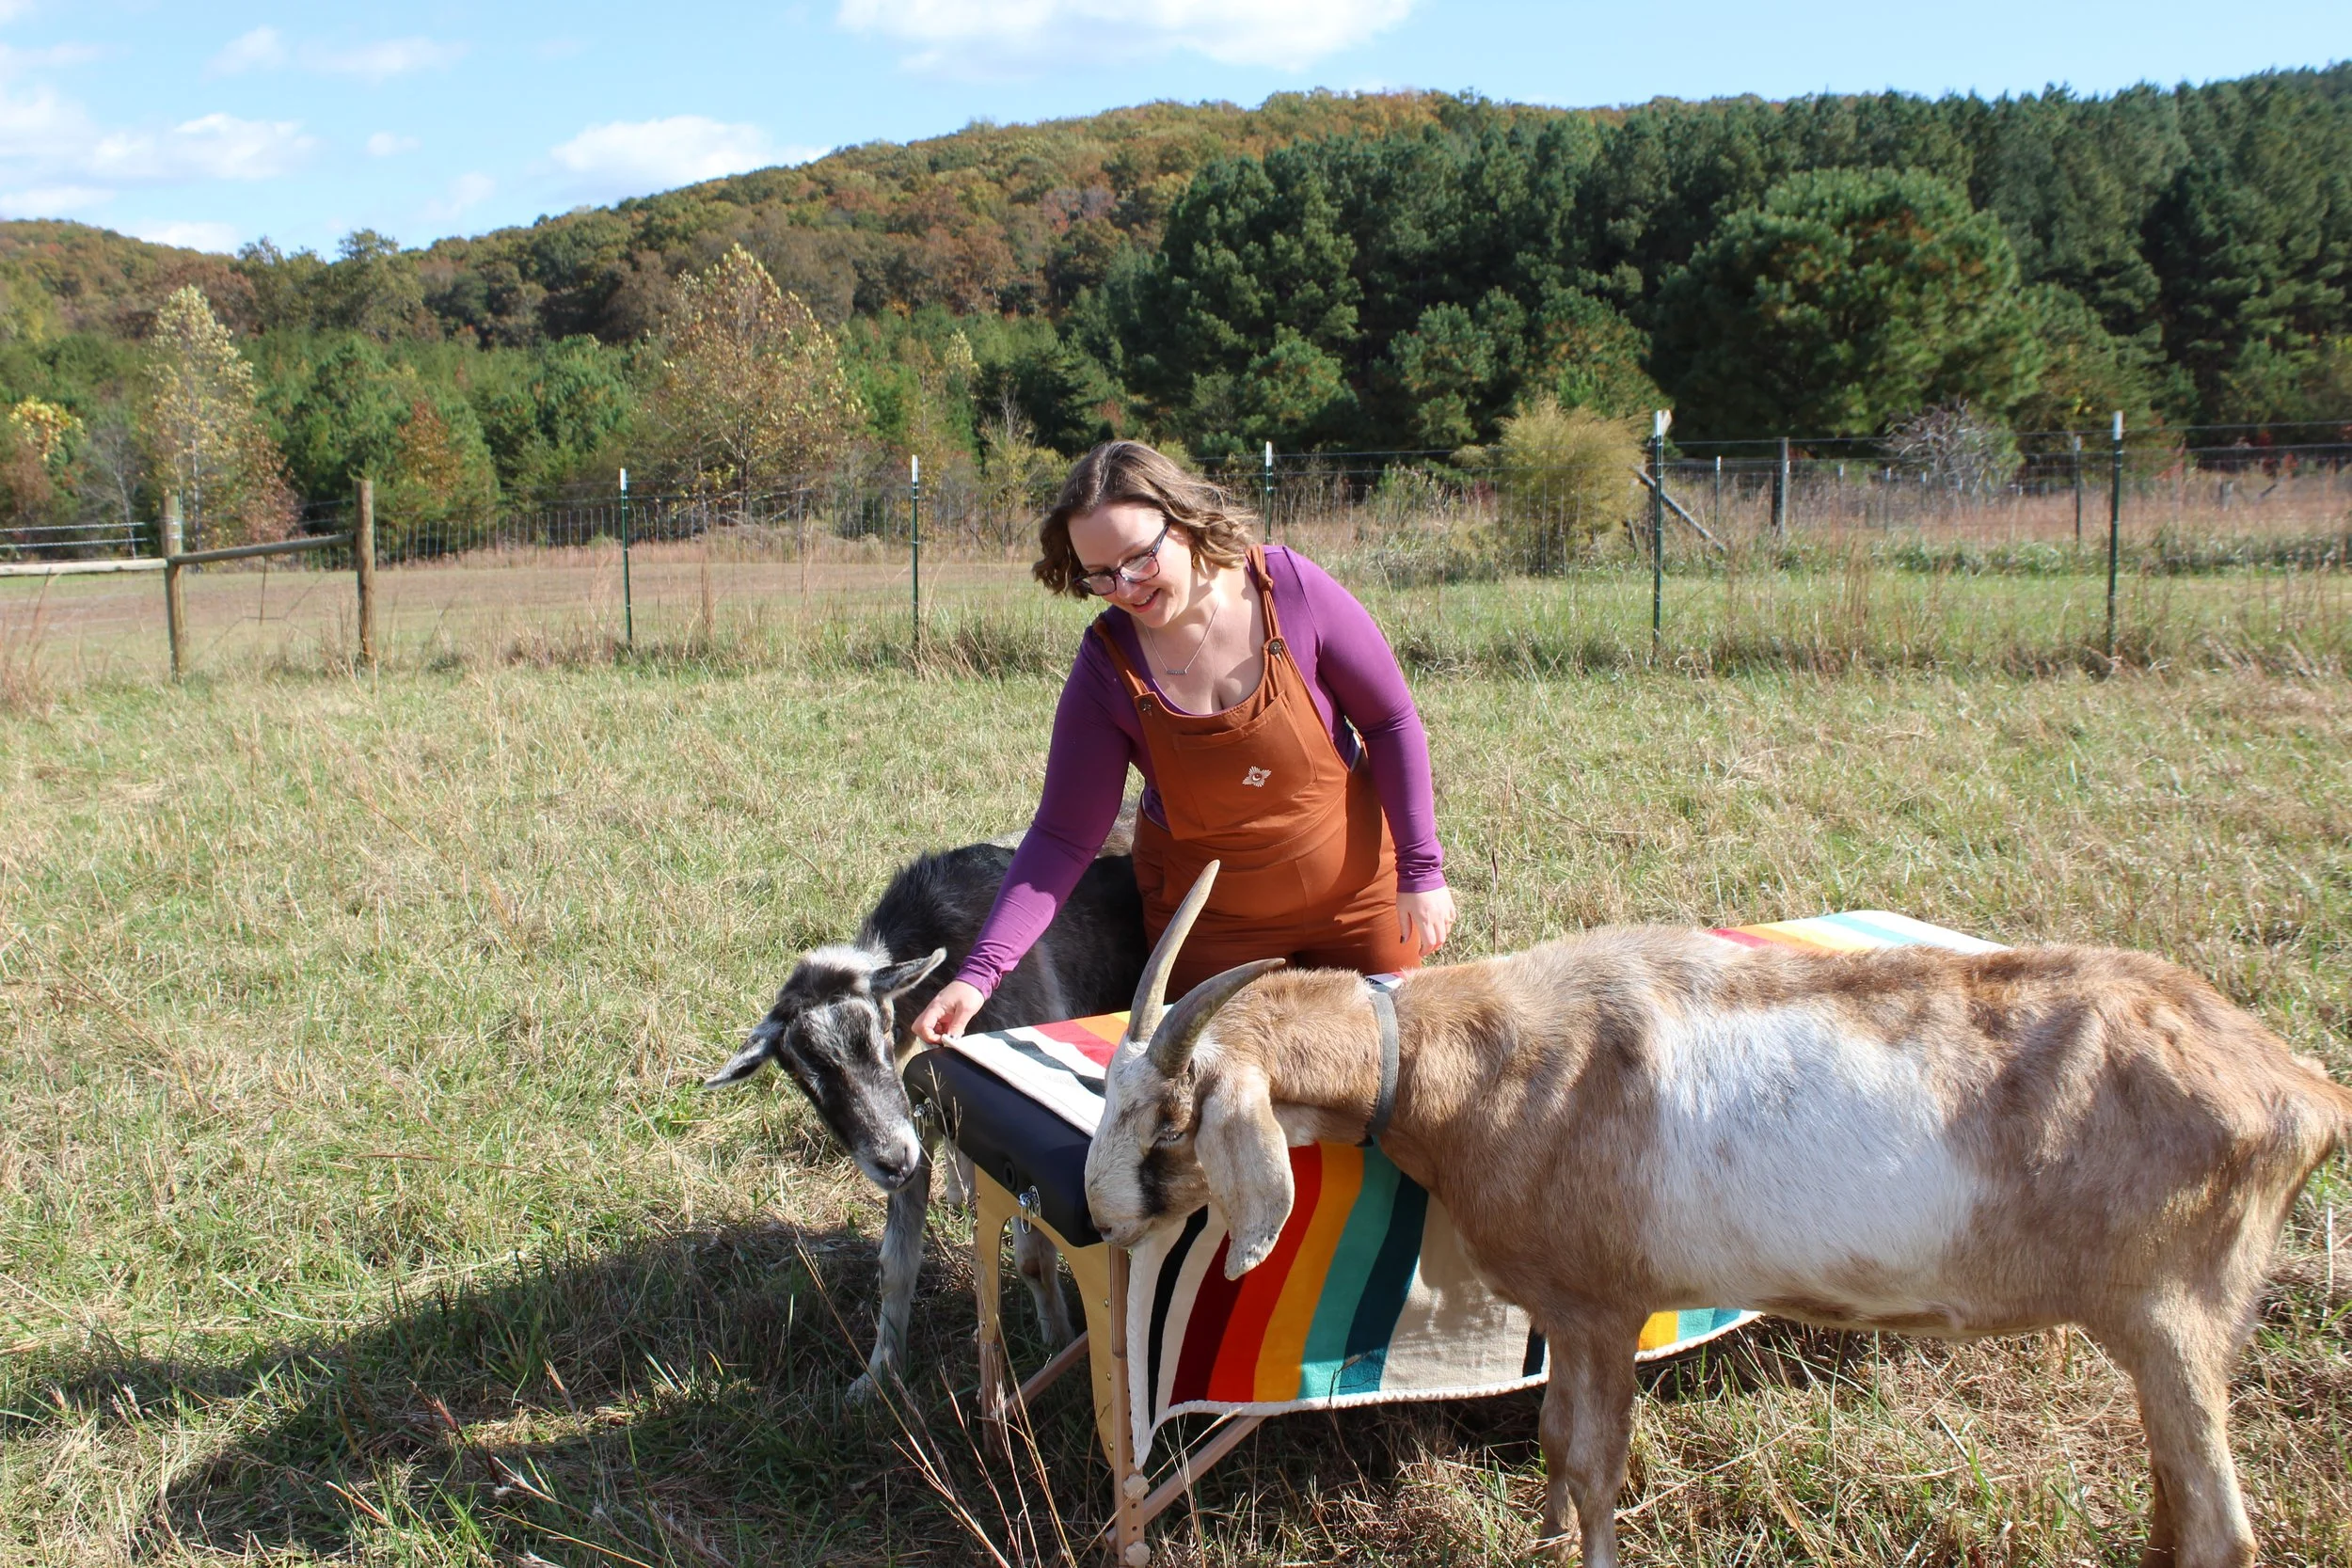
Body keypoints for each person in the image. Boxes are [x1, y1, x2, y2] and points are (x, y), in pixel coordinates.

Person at [912, 441, 1455, 1044]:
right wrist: (980, 975)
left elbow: (1393, 722)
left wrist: (1422, 871)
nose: (1126, 587)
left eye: (1139, 559)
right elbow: (1064, 836)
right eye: (1100, 575)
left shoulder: (1290, 590)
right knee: (1214, 1097)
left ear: (1182, 519)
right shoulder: (1107, 667)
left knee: (1392, 1071)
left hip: (1359, 899)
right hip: (1217, 928)